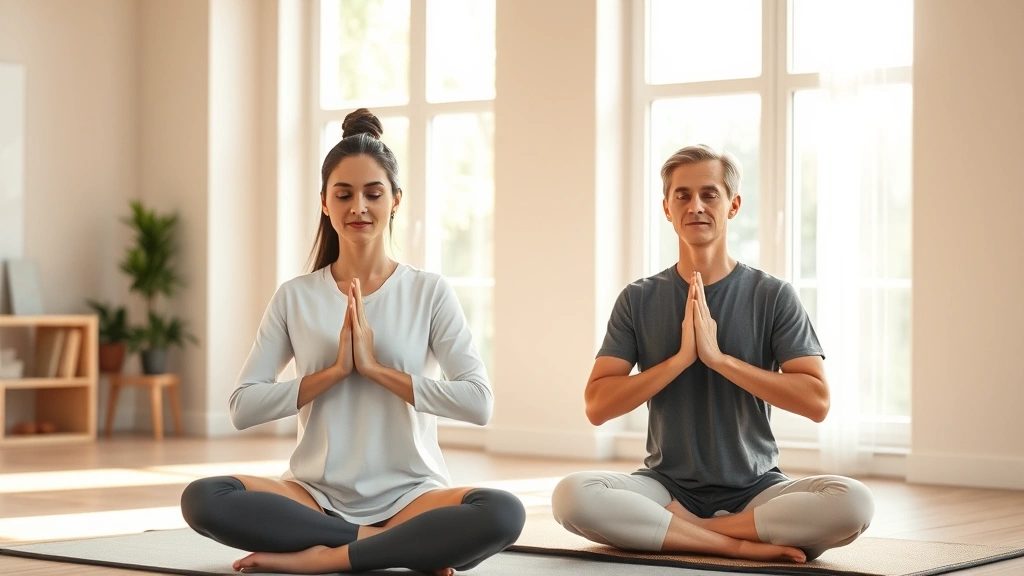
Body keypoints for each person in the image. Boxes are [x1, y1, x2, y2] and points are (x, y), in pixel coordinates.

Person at [179, 109, 525, 575]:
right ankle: (385, 546)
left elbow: (478, 403)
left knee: (503, 512)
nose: (358, 207)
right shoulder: (295, 296)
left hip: (412, 495)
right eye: (343, 194)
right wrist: (335, 372)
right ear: (324, 202)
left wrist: (378, 370)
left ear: (396, 200)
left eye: (372, 193)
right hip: (314, 495)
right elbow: (243, 406)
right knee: (203, 499)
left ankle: (327, 558)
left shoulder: (429, 292)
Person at [551, 144, 874, 563]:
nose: (696, 206)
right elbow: (597, 406)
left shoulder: (772, 296)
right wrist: (680, 360)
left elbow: (816, 401)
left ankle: (689, 532)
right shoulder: (638, 298)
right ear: (667, 208)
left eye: (710, 194)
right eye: (682, 195)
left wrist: (720, 360)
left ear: (733, 205)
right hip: (664, 487)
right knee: (571, 497)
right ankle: (736, 544)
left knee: (854, 503)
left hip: (756, 490)